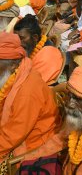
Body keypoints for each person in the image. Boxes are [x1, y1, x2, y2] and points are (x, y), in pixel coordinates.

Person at [0, 32, 61, 161]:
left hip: (31, 143)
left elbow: (13, 135)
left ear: (12, 65)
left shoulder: (27, 91)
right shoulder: (15, 72)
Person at [13, 15, 63, 85]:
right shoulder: (29, 47)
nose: (18, 42)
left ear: (35, 38)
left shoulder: (48, 55)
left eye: (21, 38)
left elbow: (30, 84)